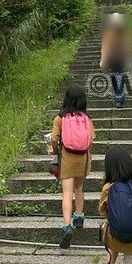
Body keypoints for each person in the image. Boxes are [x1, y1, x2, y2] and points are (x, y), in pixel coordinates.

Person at [49, 83, 95, 249]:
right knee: (79, 189)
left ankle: (67, 226)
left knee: (67, 193)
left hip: (67, 158)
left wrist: (54, 150)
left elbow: (54, 139)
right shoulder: (87, 119)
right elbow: (91, 141)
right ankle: (79, 217)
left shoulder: (60, 118)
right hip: (82, 159)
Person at [99, 12, 132, 108]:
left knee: (119, 77)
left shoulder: (125, 33)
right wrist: (103, 59)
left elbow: (128, 46)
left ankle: (119, 99)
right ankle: (118, 96)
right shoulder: (108, 33)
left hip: (120, 58)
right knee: (114, 77)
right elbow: (105, 46)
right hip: (111, 58)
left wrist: (128, 59)